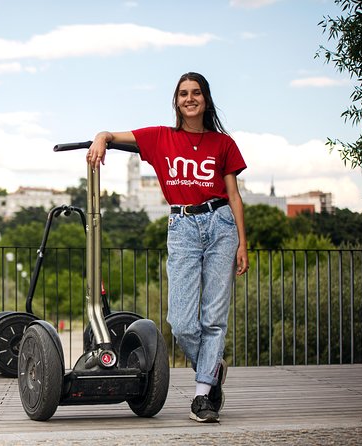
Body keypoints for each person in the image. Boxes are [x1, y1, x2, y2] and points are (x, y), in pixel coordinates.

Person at [86, 72, 249, 423]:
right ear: (176, 101)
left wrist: (242, 243)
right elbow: (114, 136)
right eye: (183, 94)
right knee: (182, 322)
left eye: (196, 93)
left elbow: (234, 195)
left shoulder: (223, 144)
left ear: (206, 99)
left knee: (214, 318)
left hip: (221, 225)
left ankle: (203, 394)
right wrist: (101, 138)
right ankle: (213, 366)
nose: (190, 99)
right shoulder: (161, 138)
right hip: (183, 227)